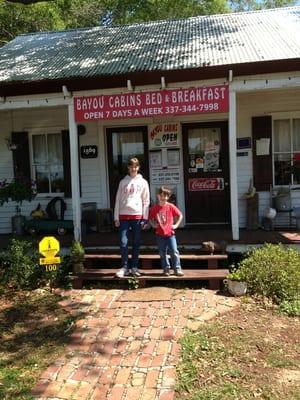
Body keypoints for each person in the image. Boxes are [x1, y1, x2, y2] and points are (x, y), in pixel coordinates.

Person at [114, 158, 150, 277]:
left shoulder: (143, 182)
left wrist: (145, 218)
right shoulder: (123, 182)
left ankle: (134, 267)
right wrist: (116, 217)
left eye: (135, 166)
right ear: (128, 168)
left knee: (136, 242)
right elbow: (118, 200)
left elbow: (146, 201)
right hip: (123, 216)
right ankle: (124, 267)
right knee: (123, 242)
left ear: (138, 167)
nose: (133, 169)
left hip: (137, 216)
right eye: (131, 166)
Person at [149, 186, 184, 276]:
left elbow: (180, 215)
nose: (163, 197)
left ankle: (177, 268)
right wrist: (153, 225)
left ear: (168, 197)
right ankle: (166, 269)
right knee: (162, 253)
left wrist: (176, 225)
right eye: (161, 195)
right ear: (158, 196)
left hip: (170, 235)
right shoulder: (155, 208)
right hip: (160, 234)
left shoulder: (171, 206)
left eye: (165, 196)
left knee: (174, 251)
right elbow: (149, 218)